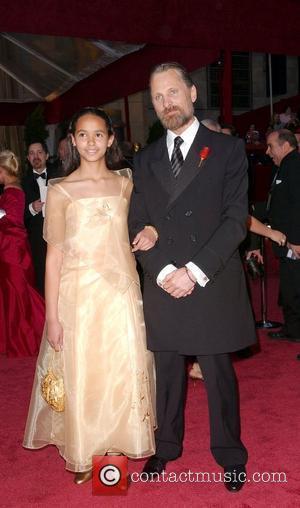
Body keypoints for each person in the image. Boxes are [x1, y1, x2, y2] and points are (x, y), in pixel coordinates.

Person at [128, 62, 256, 492]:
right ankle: (165, 447)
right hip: (164, 280)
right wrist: (165, 271)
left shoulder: (227, 150)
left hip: (210, 278)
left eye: (173, 92)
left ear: (192, 94)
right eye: (158, 97)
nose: (167, 102)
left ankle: (230, 454)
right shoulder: (143, 160)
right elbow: (137, 223)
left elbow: (236, 220)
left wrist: (194, 271)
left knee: (218, 372)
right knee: (167, 371)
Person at [23, 107, 156, 484]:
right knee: (84, 373)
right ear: (72, 140)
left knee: (120, 372)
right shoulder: (61, 190)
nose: (92, 142)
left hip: (121, 293)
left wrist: (152, 230)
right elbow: (54, 257)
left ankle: (113, 455)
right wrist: (52, 316)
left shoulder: (126, 182)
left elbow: (150, 219)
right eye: (84, 134)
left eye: (99, 134)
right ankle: (86, 449)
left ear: (111, 138)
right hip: (77, 295)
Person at [0, 150, 45, 357]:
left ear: (3, 170)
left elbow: (13, 224)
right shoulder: (11, 190)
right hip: (11, 252)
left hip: (13, 253)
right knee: (15, 295)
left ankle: (31, 335)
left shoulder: (12, 192)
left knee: (20, 295)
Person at [264, 130, 300, 342]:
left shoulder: (294, 165)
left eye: (271, 146)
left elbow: (298, 204)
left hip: (294, 242)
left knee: (295, 288)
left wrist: (296, 240)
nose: (268, 152)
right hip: (287, 242)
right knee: (289, 288)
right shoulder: (286, 166)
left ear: (285, 145)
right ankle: (293, 330)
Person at [22, 141, 62, 295]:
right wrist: (31, 208)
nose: (36, 156)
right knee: (42, 280)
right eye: (32, 153)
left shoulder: (59, 176)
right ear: (27, 158)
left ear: (46, 155)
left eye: (39, 152)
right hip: (37, 241)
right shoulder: (22, 183)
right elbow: (17, 218)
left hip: (60, 235)